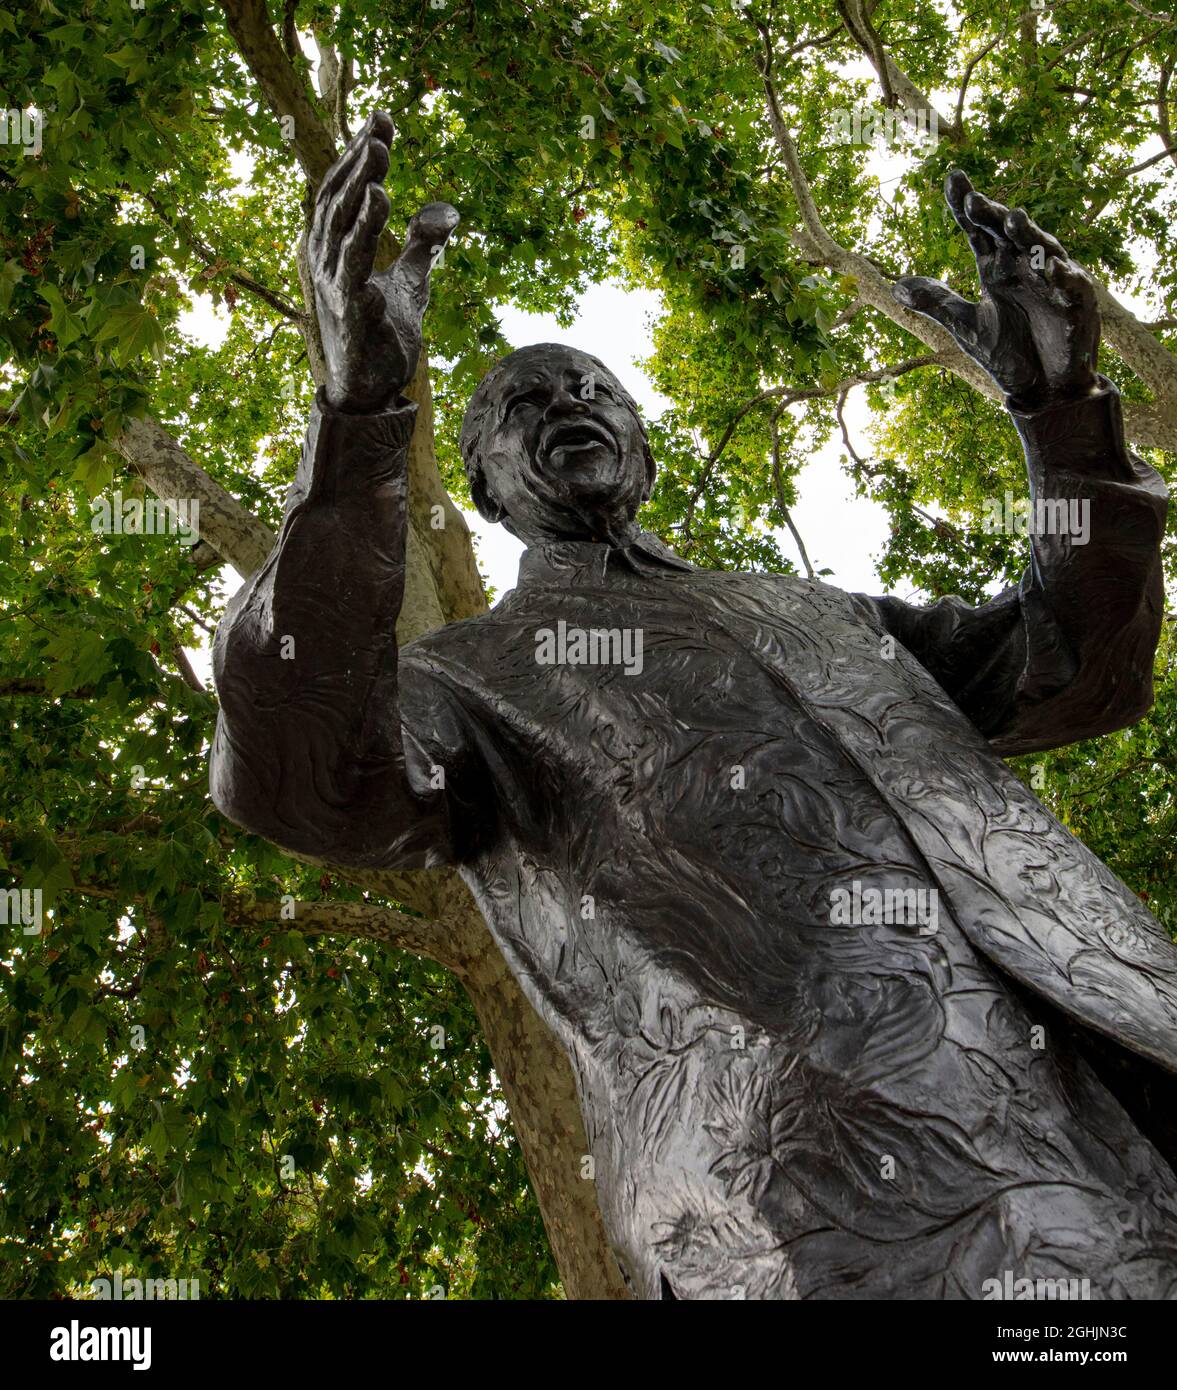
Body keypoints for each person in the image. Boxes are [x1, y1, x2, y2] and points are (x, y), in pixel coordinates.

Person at [211, 111, 1177, 1299]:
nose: (566, 401)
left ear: (643, 444)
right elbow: (301, 770)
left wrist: (1063, 419)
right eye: (521, 404)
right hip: (832, 1172)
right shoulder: (467, 676)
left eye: (590, 386)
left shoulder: (817, 610)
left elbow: (1076, 670)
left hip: (1118, 1053)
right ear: (482, 485)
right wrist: (357, 427)